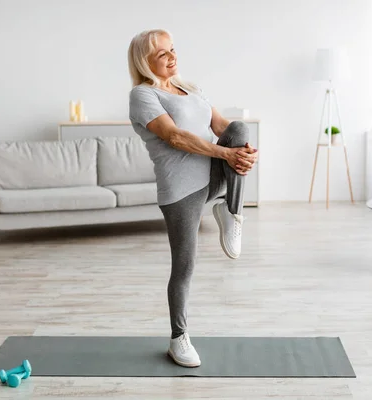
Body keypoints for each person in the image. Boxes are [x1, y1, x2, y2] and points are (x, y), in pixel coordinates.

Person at [127, 29, 258, 367]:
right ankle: (178, 338)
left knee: (241, 130)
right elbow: (175, 136)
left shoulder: (191, 89)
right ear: (145, 61)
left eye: (172, 50)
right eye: (162, 54)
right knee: (185, 266)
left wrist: (243, 152)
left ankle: (232, 213)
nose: (172, 57)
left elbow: (221, 125)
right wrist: (226, 156)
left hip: (213, 175)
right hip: (180, 188)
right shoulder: (142, 95)